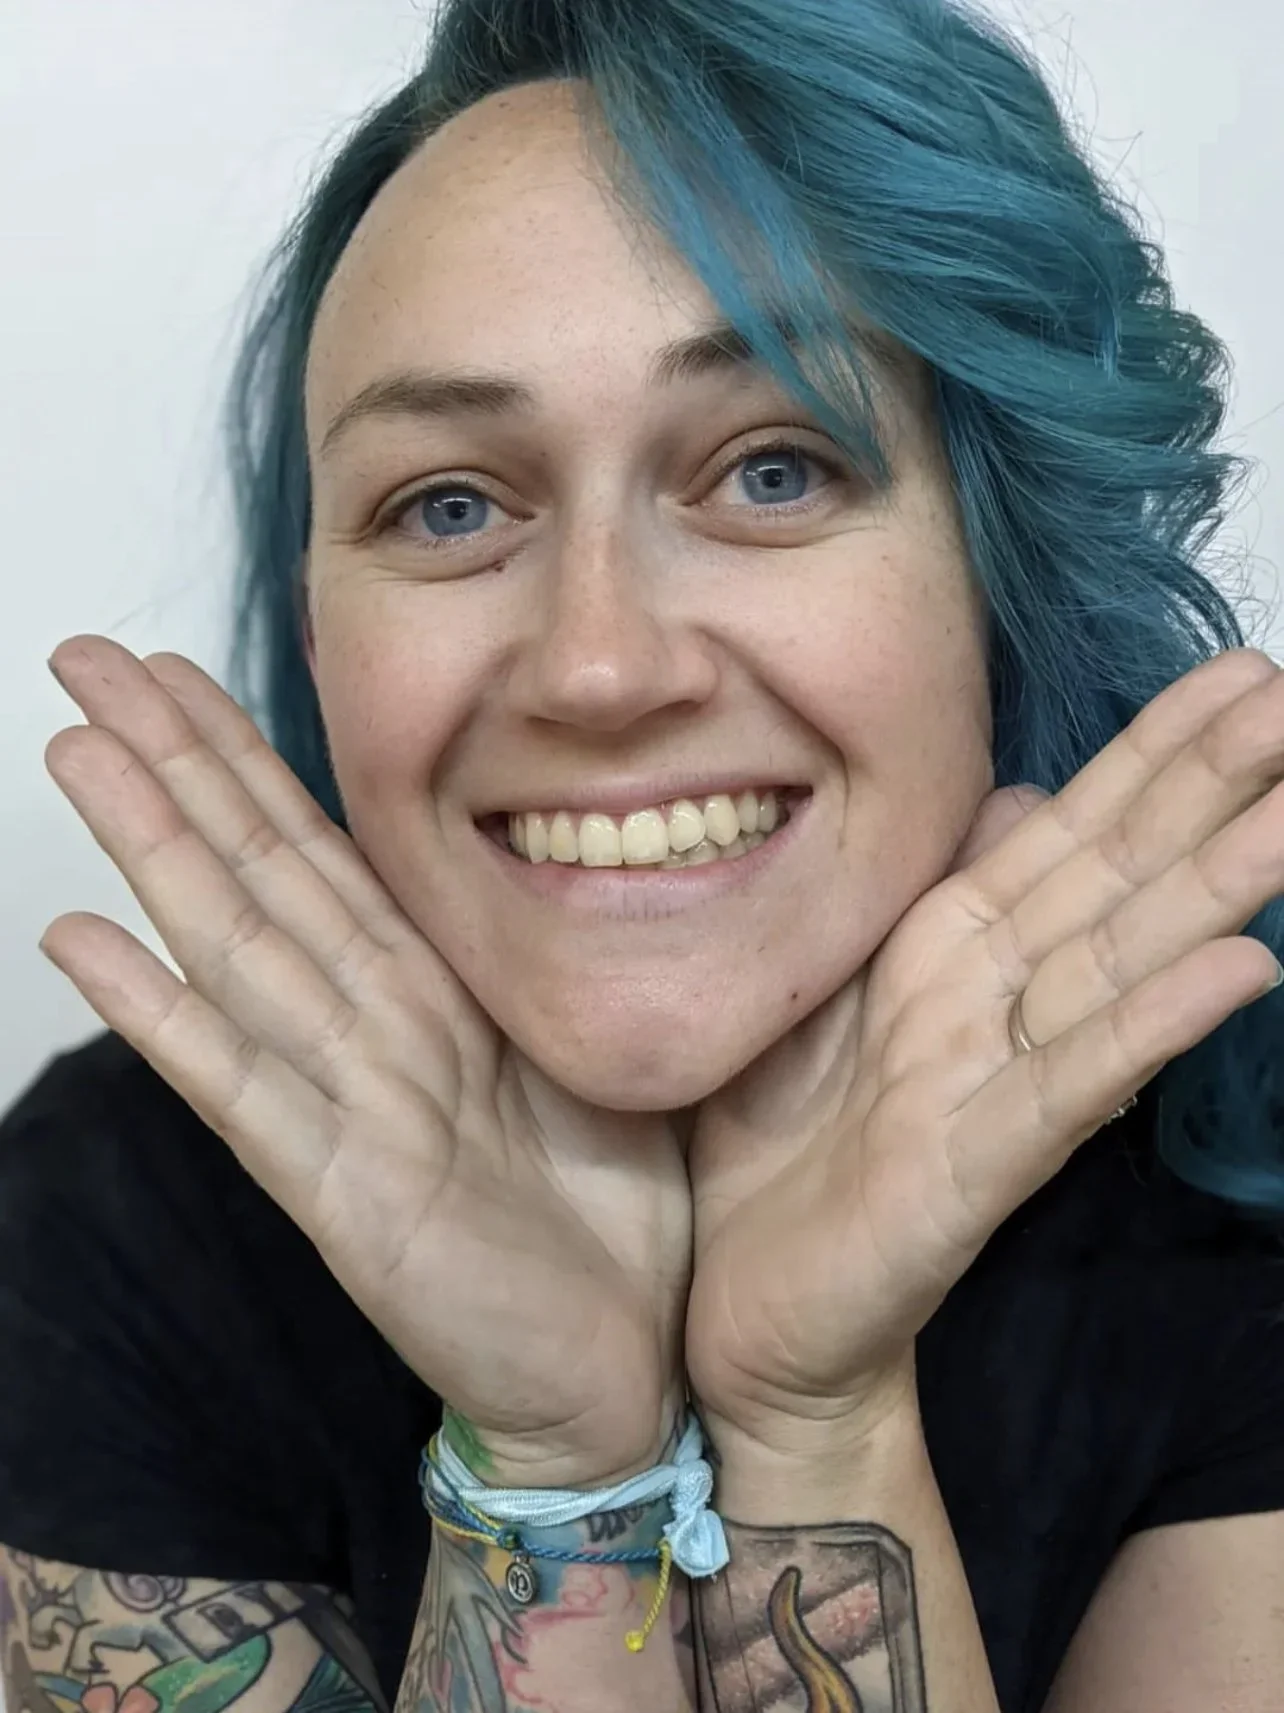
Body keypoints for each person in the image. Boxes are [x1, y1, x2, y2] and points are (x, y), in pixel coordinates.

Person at [2, 0, 1283, 1708]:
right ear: (321, 636)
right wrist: (550, 1467)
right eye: (450, 506)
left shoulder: (1247, 1207)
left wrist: (819, 1422)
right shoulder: (112, 1219)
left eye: (772, 470)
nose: (599, 669)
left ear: (1001, 577)